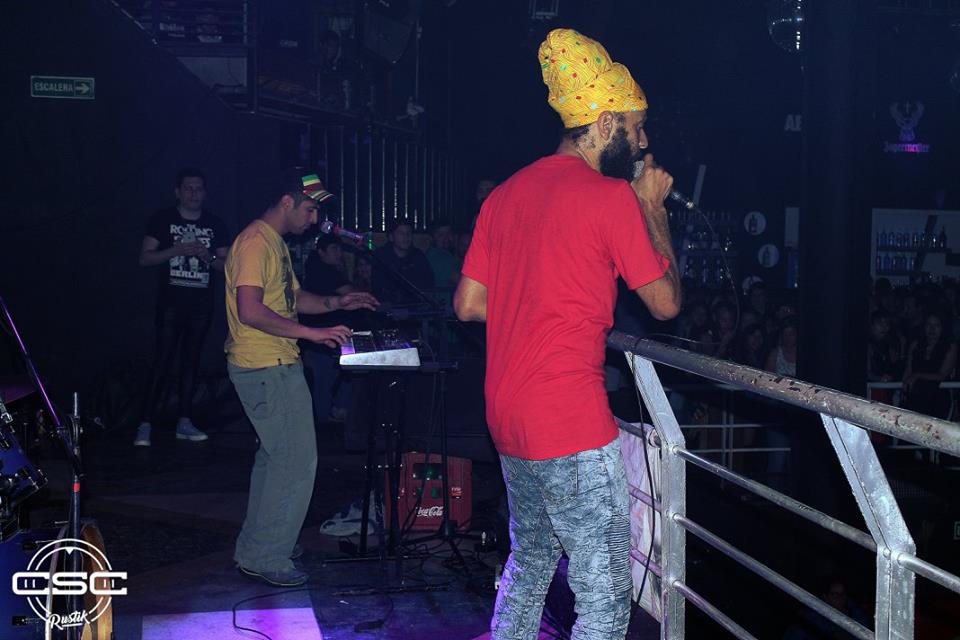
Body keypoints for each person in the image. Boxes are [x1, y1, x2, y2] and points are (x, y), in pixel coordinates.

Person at [454, 28, 681, 640]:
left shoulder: (505, 194)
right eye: (636, 127)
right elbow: (665, 303)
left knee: (529, 563)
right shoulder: (612, 199)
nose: (643, 142)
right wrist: (652, 209)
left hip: (508, 416)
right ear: (604, 123)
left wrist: (540, 299)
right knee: (604, 598)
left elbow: (469, 304)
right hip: (569, 422)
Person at [224, 170, 377, 587]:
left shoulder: (273, 243)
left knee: (275, 461)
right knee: (295, 461)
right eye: (309, 210)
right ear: (287, 202)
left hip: (272, 363)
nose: (314, 220)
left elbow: (291, 301)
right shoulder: (256, 242)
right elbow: (250, 310)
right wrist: (311, 334)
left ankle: (259, 547)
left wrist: (336, 302)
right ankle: (268, 556)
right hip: (266, 364)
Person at [135, 168, 230, 447]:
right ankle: (145, 424)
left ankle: (184, 421)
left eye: (198, 189)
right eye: (188, 188)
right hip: (170, 304)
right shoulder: (162, 219)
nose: (193, 194)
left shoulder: (215, 224)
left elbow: (228, 266)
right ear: (177, 192)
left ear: (205, 193)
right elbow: (144, 258)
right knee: (162, 360)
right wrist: (176, 250)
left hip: (201, 305)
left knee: (191, 362)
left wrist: (206, 255)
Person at [302, 235, 355, 424]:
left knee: (333, 377)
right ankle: (324, 424)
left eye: (340, 249)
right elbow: (351, 293)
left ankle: (329, 418)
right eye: (334, 249)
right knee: (324, 379)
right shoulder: (323, 271)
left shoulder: (327, 269)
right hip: (321, 336)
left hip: (329, 334)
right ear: (321, 252)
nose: (339, 253)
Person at [902, 310, 957, 419]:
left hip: (938, 397)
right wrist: (904, 389)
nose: (932, 329)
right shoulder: (916, 344)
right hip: (914, 396)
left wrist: (917, 375)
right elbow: (908, 370)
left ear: (943, 327)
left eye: (936, 325)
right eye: (929, 324)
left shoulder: (950, 346)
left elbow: (942, 375)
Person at [372, 219, 434, 305]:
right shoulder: (381, 257)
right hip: (388, 308)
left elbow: (427, 284)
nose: (406, 236)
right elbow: (378, 288)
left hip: (415, 307)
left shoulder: (418, 257)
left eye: (409, 233)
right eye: (400, 233)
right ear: (391, 237)